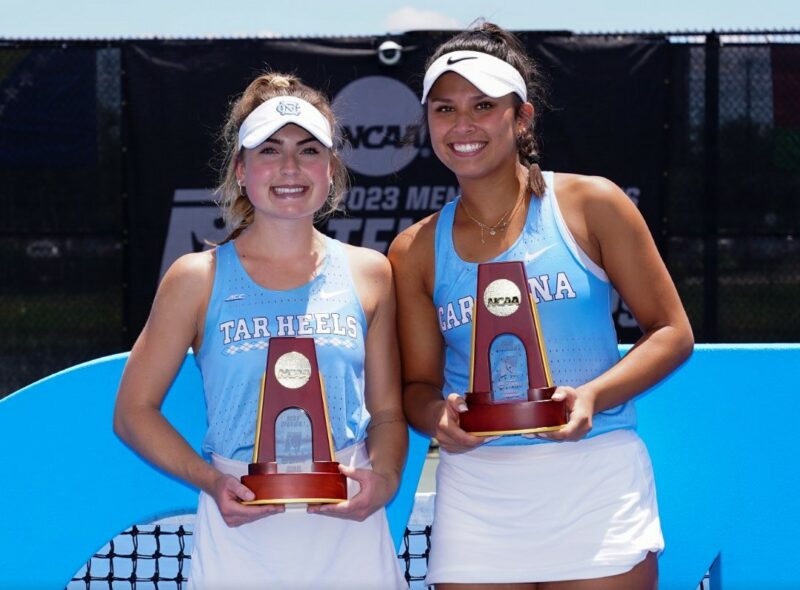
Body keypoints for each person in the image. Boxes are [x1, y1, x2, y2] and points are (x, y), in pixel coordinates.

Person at [388, 22, 694, 589]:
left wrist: (591, 397)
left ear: (522, 116)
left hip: (596, 477)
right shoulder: (414, 250)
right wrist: (438, 418)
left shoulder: (591, 204)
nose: (463, 126)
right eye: (445, 109)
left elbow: (672, 332)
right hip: (478, 492)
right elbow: (418, 388)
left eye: (483, 105)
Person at [114, 71, 408, 589]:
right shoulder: (195, 279)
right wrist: (212, 481)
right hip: (241, 537)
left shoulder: (370, 272)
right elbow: (133, 413)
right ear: (241, 170)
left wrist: (382, 481)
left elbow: (386, 412)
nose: (290, 168)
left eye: (309, 150)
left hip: (349, 537)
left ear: (331, 168)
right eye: (269, 150)